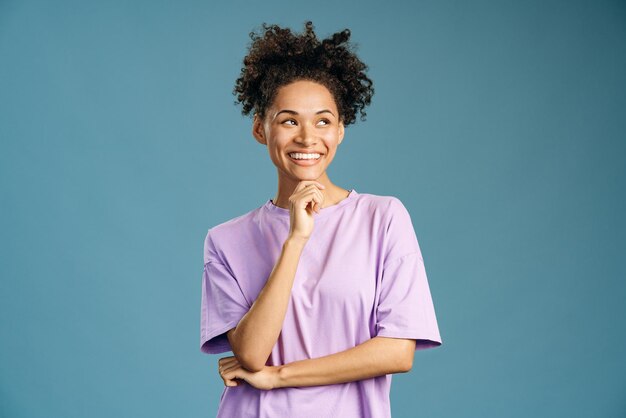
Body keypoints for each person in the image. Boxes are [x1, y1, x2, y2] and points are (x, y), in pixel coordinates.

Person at [200, 21, 442, 418]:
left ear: (341, 130)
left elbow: (398, 351)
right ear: (261, 128)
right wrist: (295, 240)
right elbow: (251, 353)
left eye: (323, 121)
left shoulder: (382, 218)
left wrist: (280, 376)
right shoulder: (226, 239)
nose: (308, 138)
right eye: (289, 120)